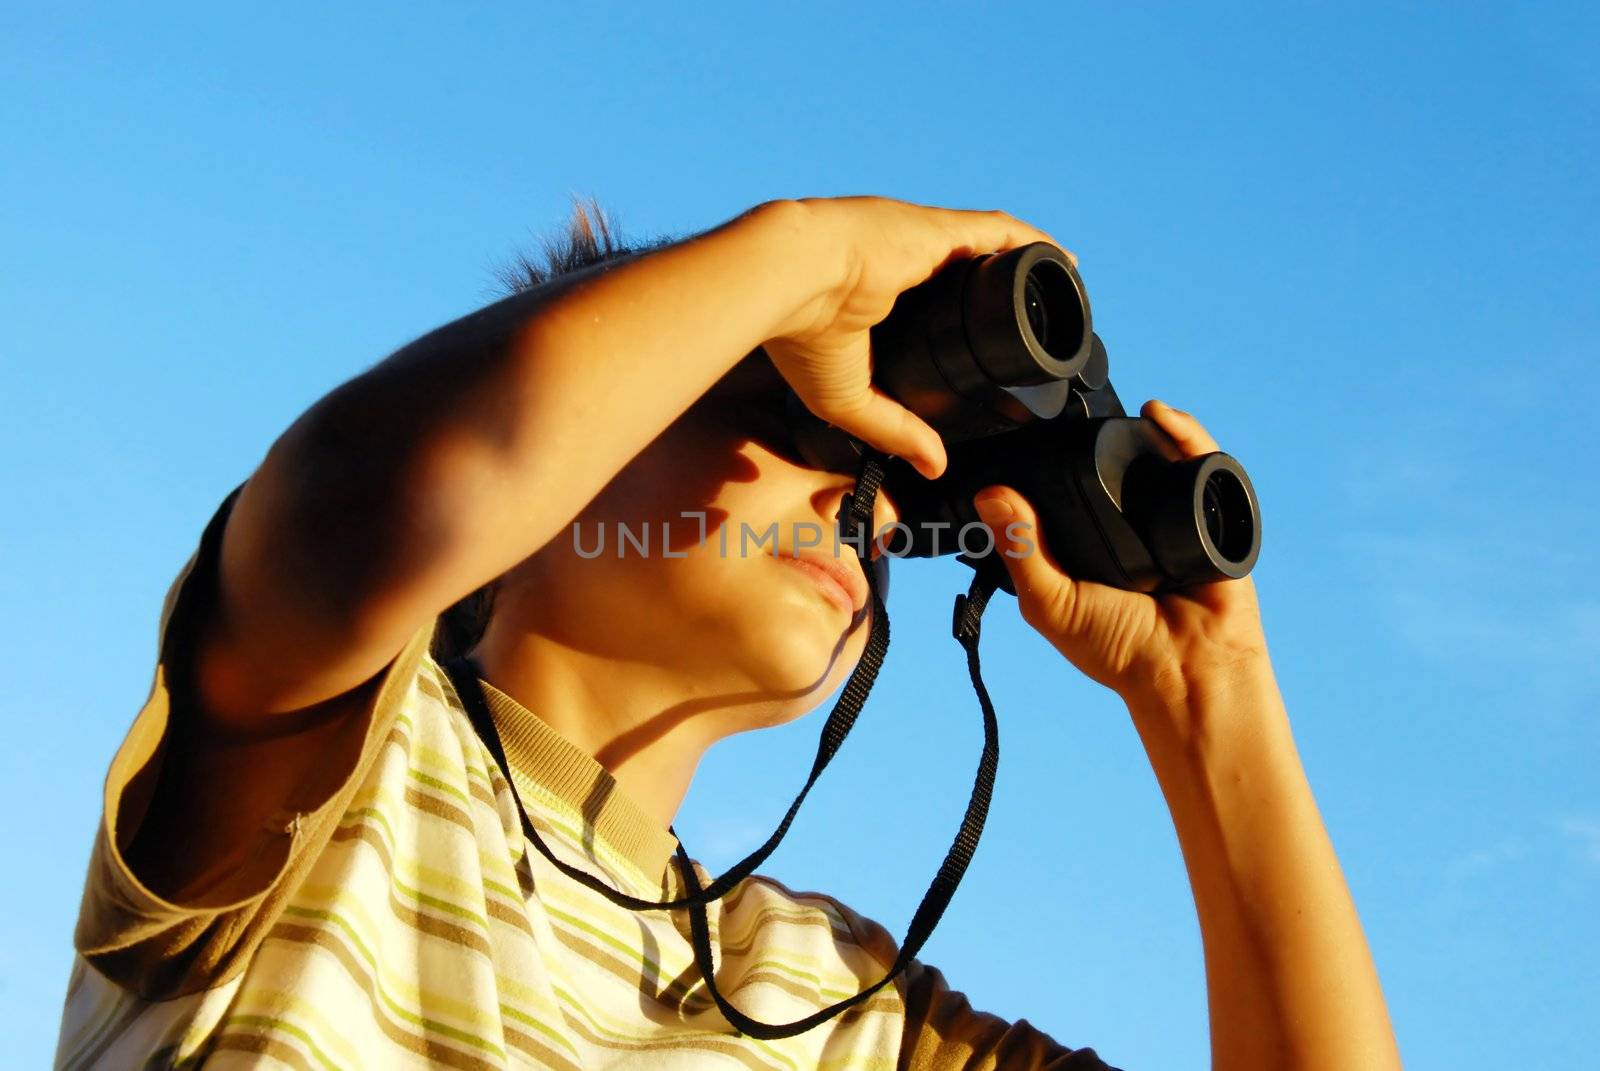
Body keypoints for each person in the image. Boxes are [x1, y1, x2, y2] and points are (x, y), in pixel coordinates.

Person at [54, 196, 1402, 1070]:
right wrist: (804, 263)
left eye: (880, 480)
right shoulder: (341, 774)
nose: (858, 502)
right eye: (797, 428)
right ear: (569, 476)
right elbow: (367, 499)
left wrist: (1208, 698)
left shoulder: (839, 1008)